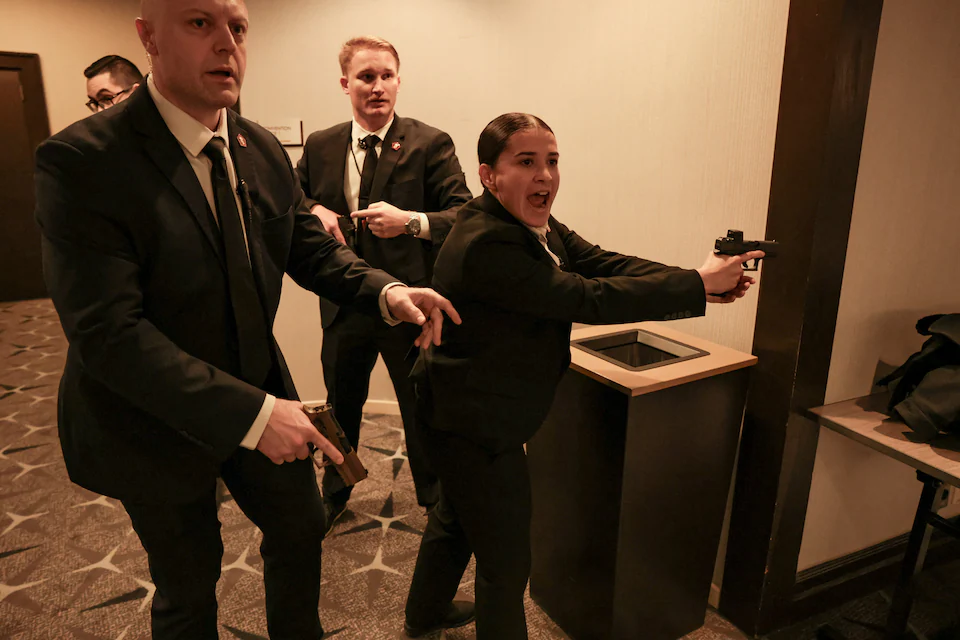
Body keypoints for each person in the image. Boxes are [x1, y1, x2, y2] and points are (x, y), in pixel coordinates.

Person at [34, 1, 458, 638]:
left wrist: (385, 289)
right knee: (188, 580)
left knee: (301, 525)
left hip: (257, 383)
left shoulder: (255, 144)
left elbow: (307, 249)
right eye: (200, 23)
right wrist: (256, 418)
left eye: (237, 27)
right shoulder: (84, 160)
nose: (226, 44)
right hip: (150, 410)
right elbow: (107, 335)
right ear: (148, 36)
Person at [402, 113, 764, 639]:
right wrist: (694, 285)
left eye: (551, 161)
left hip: (468, 406)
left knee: (456, 518)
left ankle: (424, 612)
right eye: (526, 162)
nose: (544, 175)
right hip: (473, 421)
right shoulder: (487, 241)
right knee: (506, 561)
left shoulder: (530, 226)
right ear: (488, 175)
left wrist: (697, 281)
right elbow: (584, 297)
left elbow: (600, 263)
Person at [296, 36, 472, 522]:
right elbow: (291, 198)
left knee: (421, 411)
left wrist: (411, 220)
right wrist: (315, 209)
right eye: (366, 77)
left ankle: (434, 504)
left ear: (398, 80)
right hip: (342, 303)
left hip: (407, 307)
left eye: (386, 76)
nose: (377, 87)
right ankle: (335, 494)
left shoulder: (429, 143)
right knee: (340, 408)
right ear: (345, 83)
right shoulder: (321, 144)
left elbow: (465, 215)